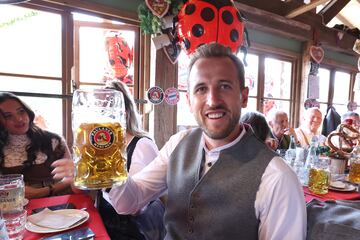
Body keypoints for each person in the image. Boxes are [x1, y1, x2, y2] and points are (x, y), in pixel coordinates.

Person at [55, 43, 306, 239]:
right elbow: (129, 202)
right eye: (201, 89)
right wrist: (105, 170)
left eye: (225, 86)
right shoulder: (179, 143)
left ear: (243, 96)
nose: (212, 100)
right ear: (189, 101)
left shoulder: (276, 176)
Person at [53, 80, 165, 240]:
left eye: (105, 110)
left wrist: (93, 171)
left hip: (135, 231)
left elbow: (136, 207)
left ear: (123, 113)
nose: (99, 116)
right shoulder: (98, 147)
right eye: (97, 110)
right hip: (106, 222)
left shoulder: (142, 145)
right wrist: (77, 174)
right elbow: (81, 190)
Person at [0, 92, 72, 199]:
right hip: (15, 210)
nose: (19, 119)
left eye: (21, 111)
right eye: (8, 116)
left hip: (58, 206)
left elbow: (72, 178)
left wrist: (42, 191)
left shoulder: (53, 140)